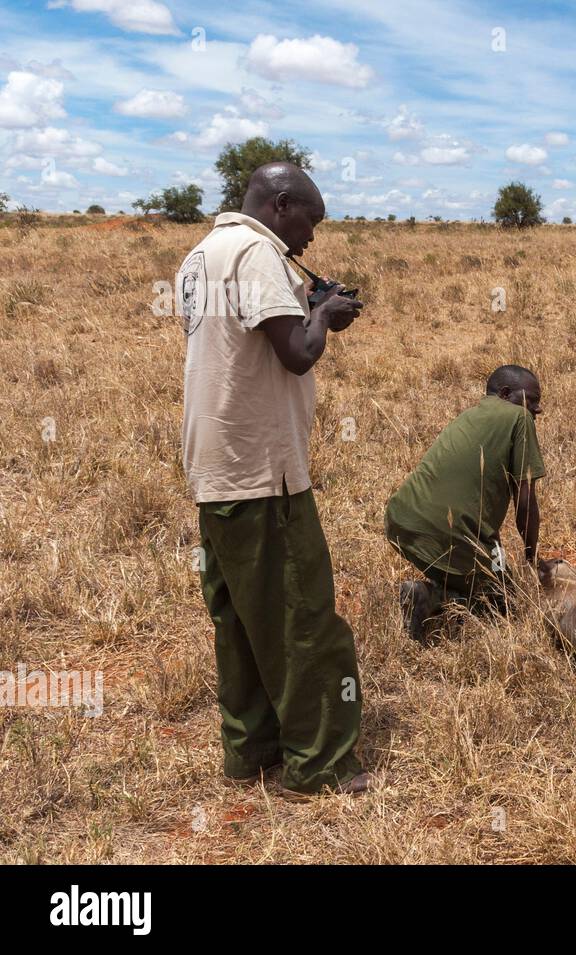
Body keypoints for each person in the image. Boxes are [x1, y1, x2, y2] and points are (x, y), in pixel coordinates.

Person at [178, 162, 369, 796]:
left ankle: (252, 750)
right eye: (309, 219)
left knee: (238, 618)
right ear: (281, 204)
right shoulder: (260, 254)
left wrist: (308, 307)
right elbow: (296, 354)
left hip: (215, 466)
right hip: (264, 470)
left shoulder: (202, 255)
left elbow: (247, 340)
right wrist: (327, 316)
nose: (312, 235)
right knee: (301, 615)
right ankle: (320, 763)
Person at [385, 365, 545, 640]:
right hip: (450, 532)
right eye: (531, 400)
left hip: (402, 520)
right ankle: (431, 598)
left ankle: (436, 592)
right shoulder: (519, 418)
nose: (537, 409)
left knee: (480, 581)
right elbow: (526, 502)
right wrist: (531, 558)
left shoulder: (471, 415)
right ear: (506, 394)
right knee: (506, 604)